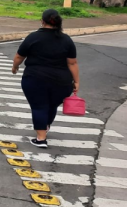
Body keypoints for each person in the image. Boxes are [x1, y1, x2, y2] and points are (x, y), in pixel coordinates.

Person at [11, 9, 80, 148]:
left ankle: (41, 138)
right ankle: (45, 125)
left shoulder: (33, 37)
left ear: (42, 21)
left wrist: (15, 67)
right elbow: (72, 63)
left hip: (35, 79)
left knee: (39, 106)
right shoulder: (66, 39)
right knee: (51, 105)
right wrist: (76, 81)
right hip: (62, 82)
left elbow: (19, 56)